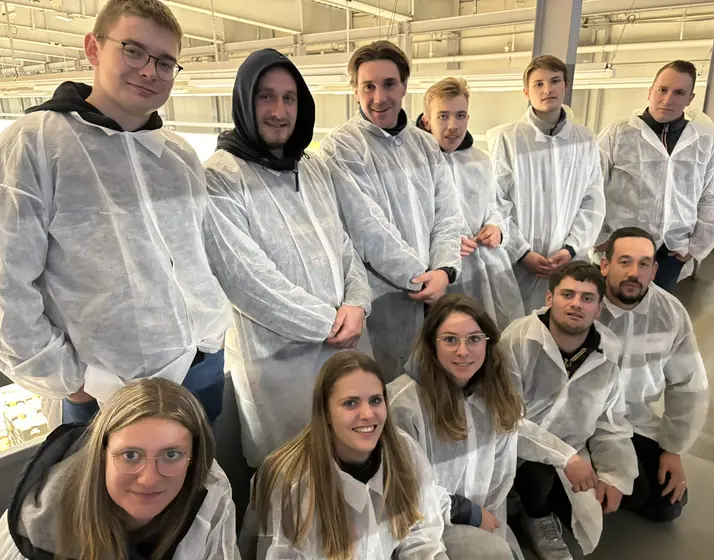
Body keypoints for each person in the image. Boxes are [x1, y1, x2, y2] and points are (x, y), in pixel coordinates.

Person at [0, 0, 232, 425]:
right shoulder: (36, 144)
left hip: (199, 365)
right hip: (109, 388)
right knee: (108, 492)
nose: (149, 71)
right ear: (93, 48)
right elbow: (6, 285)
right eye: (134, 50)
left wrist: (212, 335)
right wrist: (74, 381)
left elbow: (198, 255)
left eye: (165, 62)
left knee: (200, 484)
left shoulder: (177, 154)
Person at [203, 49, 371, 469]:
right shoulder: (220, 176)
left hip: (341, 342)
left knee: (341, 465)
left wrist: (357, 303)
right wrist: (328, 323)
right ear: (244, 101)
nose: (279, 111)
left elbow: (343, 245)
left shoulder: (309, 167)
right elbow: (246, 281)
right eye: (265, 97)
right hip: (277, 365)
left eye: (289, 98)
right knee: (287, 477)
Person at [320, 41, 463, 379]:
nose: (379, 97)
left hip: (435, 290)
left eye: (388, 84)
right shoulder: (341, 146)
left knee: (433, 388)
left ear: (404, 86)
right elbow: (366, 226)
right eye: (368, 86)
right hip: (385, 298)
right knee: (387, 390)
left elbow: (448, 214)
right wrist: (421, 279)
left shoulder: (425, 144)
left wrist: (445, 271)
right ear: (355, 90)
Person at [0, 378, 238, 559]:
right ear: (100, 454)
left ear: (194, 458)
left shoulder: (210, 492)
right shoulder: (37, 533)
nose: (149, 479)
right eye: (131, 455)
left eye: (171, 455)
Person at [242, 350, 448, 559]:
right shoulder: (292, 482)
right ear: (326, 412)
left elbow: (422, 537)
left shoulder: (403, 451)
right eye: (351, 403)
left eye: (376, 400)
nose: (368, 414)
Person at [499, 262, 637, 560]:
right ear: (550, 299)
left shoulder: (608, 349)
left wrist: (615, 474)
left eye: (587, 298)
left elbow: (611, 419)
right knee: (539, 474)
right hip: (515, 447)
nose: (577, 303)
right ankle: (535, 515)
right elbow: (505, 417)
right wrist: (564, 457)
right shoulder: (518, 339)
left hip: (574, 451)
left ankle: (529, 502)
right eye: (568, 294)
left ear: (599, 308)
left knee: (630, 496)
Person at [388, 295, 524, 559]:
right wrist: (467, 513)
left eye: (474, 339)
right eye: (450, 339)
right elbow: (405, 491)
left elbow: (513, 432)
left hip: (479, 516)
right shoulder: (404, 403)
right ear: (431, 344)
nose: (463, 351)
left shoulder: (491, 389)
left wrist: (566, 457)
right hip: (423, 525)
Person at [598, 226, 708, 522]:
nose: (634, 272)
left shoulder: (670, 313)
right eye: (624, 262)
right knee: (630, 492)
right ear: (604, 265)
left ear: (654, 270)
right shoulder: (581, 303)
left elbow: (689, 386)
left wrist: (673, 449)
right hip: (582, 425)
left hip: (634, 422)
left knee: (667, 504)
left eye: (643, 263)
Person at [595, 60, 714, 292]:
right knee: (608, 314)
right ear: (650, 91)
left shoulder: (704, 144)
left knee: (654, 318)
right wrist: (598, 238)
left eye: (679, 92)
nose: (668, 100)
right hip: (619, 248)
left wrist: (694, 248)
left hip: (670, 254)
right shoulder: (618, 134)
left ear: (690, 98)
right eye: (662, 90)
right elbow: (590, 187)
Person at [489, 55, 605, 313]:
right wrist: (522, 252)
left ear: (565, 86)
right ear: (526, 92)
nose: (547, 89)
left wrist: (572, 248)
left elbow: (592, 201)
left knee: (563, 327)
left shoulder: (584, 140)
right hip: (517, 264)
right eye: (538, 84)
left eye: (554, 81)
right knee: (515, 332)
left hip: (568, 263)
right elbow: (496, 203)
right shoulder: (508, 139)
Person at [416, 78, 524, 330]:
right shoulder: (415, 164)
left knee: (485, 337)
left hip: (482, 270)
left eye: (460, 115)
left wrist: (496, 227)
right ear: (426, 120)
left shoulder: (479, 160)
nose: (453, 126)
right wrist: (445, 245)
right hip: (437, 275)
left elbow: (493, 206)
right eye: (443, 116)